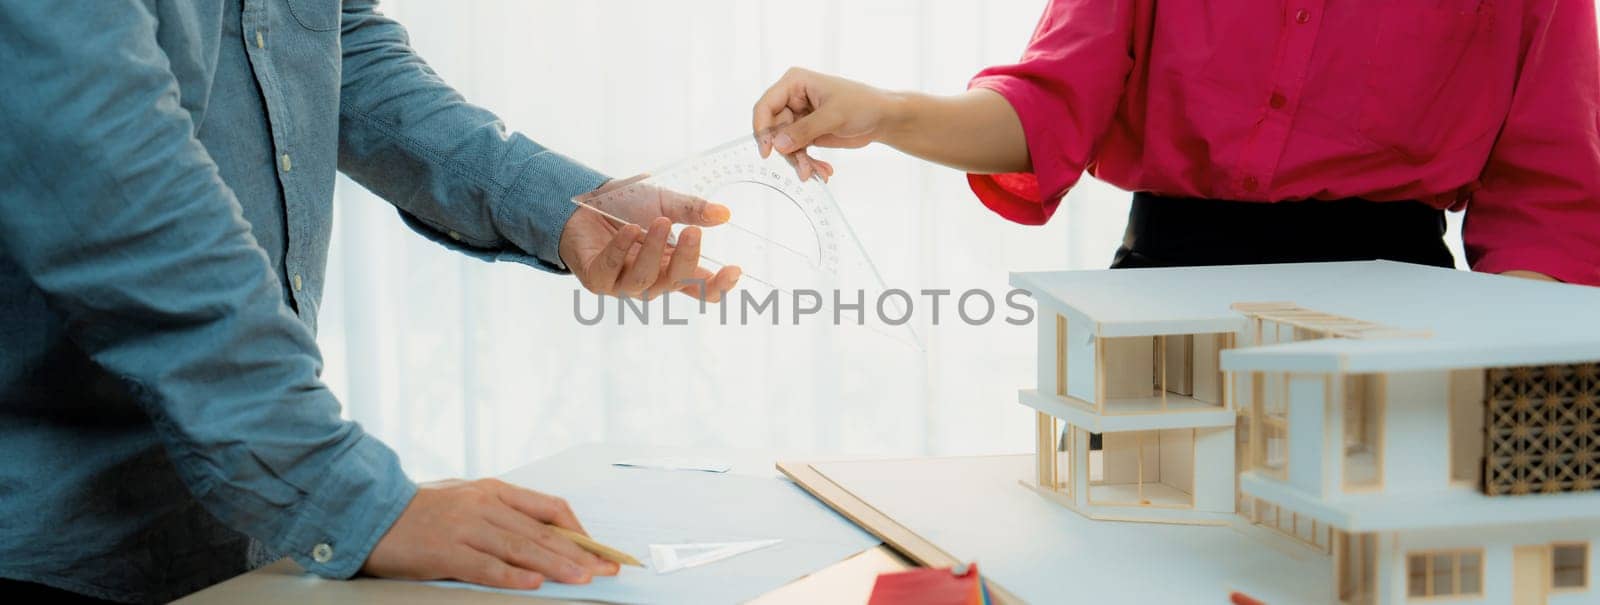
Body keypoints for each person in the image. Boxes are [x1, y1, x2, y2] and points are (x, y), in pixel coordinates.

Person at [0, 1, 738, 602]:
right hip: (45, 535)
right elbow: (114, 181)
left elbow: (334, 46)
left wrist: (564, 207)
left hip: (237, 518)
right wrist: (354, 499)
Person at [752, 0, 1600, 286]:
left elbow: (1547, 204)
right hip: (1166, 296)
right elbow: (1048, 109)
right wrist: (884, 112)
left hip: (1406, 310)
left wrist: (1494, 404)